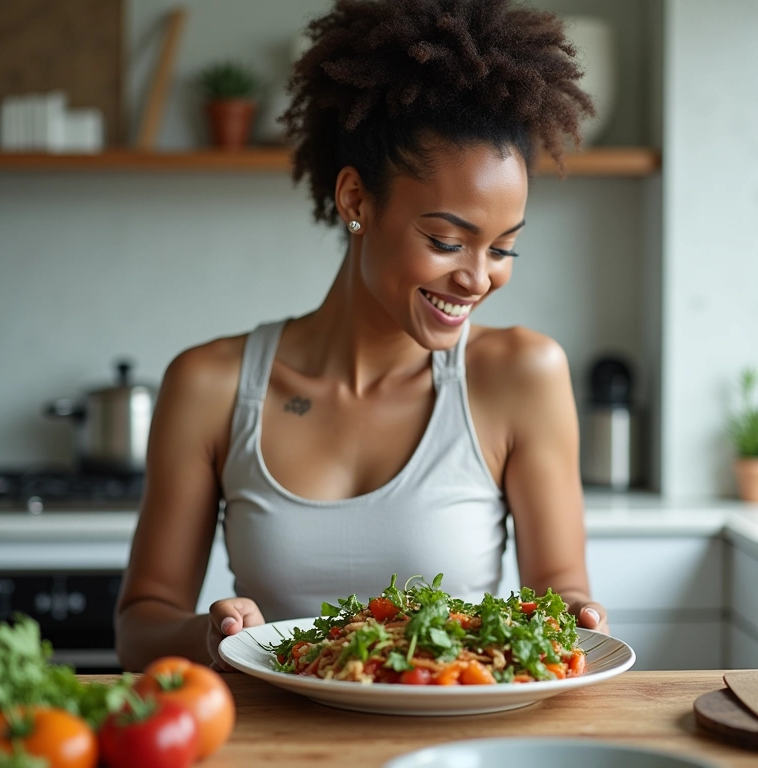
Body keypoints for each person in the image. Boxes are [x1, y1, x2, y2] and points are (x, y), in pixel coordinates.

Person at [115, 0, 608, 673]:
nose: (476, 278)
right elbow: (139, 626)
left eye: (502, 249)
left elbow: (559, 593)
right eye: (446, 240)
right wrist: (210, 633)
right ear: (355, 202)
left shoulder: (522, 375)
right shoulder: (211, 385)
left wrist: (574, 617)